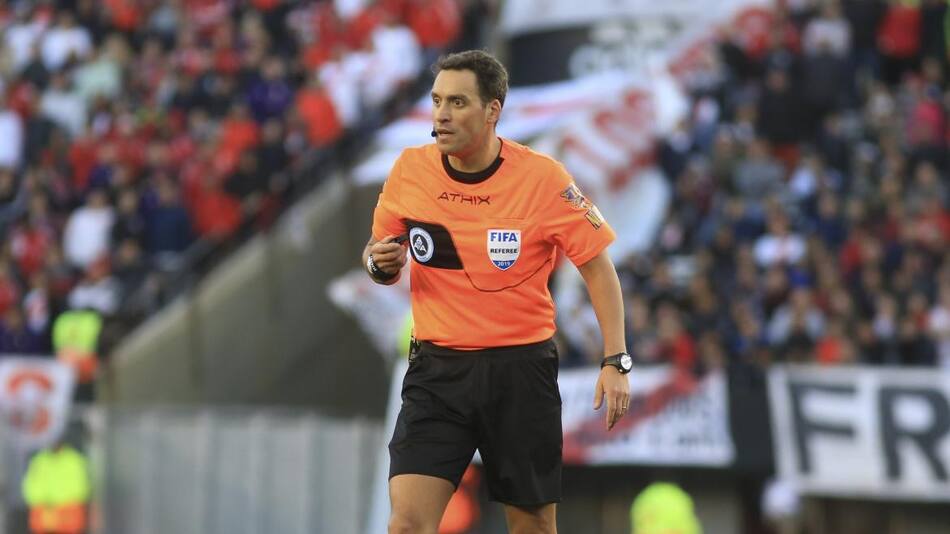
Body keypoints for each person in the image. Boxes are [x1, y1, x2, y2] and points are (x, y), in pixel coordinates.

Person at [363, 50, 631, 534]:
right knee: (406, 524)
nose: (441, 114)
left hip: (520, 373)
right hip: (437, 374)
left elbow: (597, 268)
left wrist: (615, 360)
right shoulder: (409, 170)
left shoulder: (544, 179)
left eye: (458, 102)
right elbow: (379, 253)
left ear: (493, 111)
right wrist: (379, 264)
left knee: (531, 526)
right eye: (437, 100)